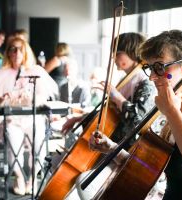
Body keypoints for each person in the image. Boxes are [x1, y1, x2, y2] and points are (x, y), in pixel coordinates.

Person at [89, 30, 182, 199]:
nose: (152, 77)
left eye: (159, 67)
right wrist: (111, 148)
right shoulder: (174, 110)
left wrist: (171, 112)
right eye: (150, 68)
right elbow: (150, 169)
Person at [63, 32, 156, 200]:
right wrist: (80, 118)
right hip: (111, 145)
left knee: (86, 185)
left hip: (128, 152)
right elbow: (110, 113)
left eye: (117, 51)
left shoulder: (145, 80)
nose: (113, 56)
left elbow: (138, 118)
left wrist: (115, 95)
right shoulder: (128, 79)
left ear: (131, 52)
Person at [0, 37, 59, 196]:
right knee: (13, 147)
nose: (17, 52)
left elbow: (43, 97)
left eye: (20, 49)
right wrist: (5, 98)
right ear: (8, 53)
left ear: (26, 51)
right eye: (13, 48)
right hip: (12, 119)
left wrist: (27, 96)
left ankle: (33, 178)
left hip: (33, 118)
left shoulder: (36, 72)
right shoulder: (1, 74)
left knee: (39, 147)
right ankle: (18, 176)